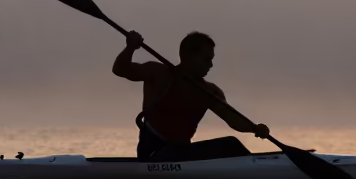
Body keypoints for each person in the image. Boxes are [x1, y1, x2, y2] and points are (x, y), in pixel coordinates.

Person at [112, 30, 270, 161]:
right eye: (206, 59)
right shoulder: (159, 74)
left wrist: (255, 128)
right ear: (188, 56)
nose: (211, 65)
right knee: (228, 145)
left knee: (231, 144)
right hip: (154, 154)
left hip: (182, 155)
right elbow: (120, 69)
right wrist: (130, 47)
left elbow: (233, 119)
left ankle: (258, 168)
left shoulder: (210, 91)